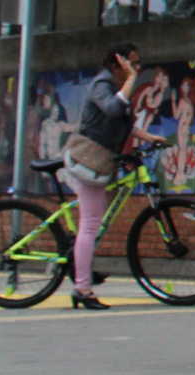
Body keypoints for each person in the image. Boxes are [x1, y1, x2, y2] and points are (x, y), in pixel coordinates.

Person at [58, 42, 166, 309]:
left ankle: (81, 267)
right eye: (134, 63)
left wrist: (148, 136)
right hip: (88, 159)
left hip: (101, 161)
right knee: (91, 223)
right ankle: (82, 289)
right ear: (119, 62)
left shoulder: (116, 86)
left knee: (92, 220)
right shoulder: (102, 84)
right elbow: (113, 109)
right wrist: (130, 79)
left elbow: (124, 123)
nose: (138, 69)